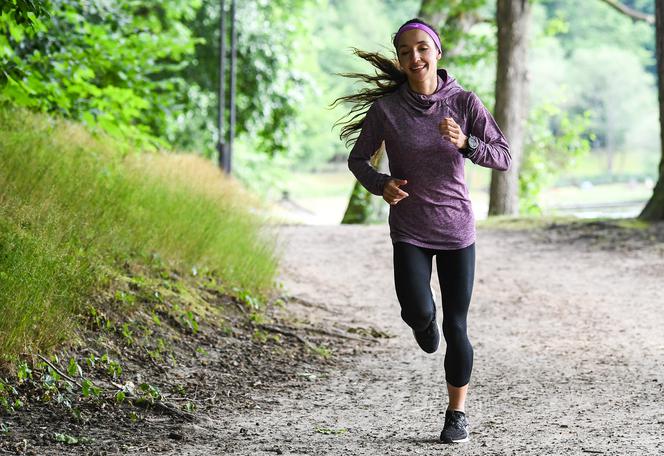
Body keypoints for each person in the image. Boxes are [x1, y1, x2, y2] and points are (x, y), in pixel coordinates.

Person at [335, 18, 511, 444]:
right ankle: (422, 323)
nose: (414, 57)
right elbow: (359, 160)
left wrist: (467, 144)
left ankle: (456, 414)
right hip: (410, 229)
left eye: (421, 48)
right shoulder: (387, 110)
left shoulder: (465, 103)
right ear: (399, 60)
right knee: (417, 311)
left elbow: (503, 157)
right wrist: (382, 184)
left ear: (437, 52)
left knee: (457, 326)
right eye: (405, 51)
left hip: (456, 232)